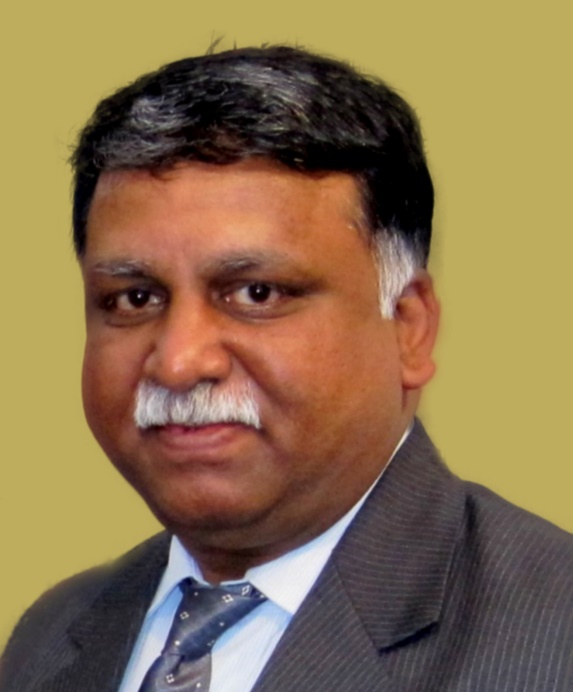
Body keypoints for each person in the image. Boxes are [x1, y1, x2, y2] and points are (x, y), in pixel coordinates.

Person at [1, 45, 572, 692]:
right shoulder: (51, 636)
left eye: (256, 293)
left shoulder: (553, 637)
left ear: (408, 328)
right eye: (134, 299)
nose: (180, 362)